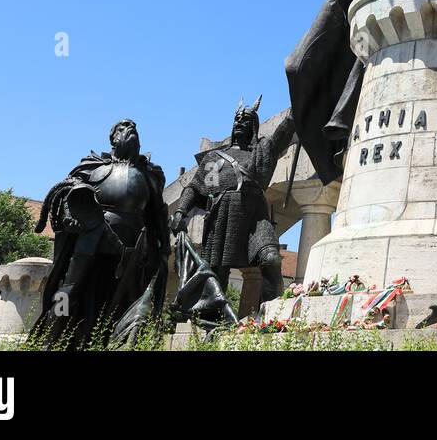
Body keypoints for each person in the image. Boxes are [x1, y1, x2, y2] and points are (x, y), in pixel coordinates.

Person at [33, 119, 168, 347]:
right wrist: (69, 215)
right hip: (93, 235)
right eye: (123, 128)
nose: (131, 130)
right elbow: (68, 193)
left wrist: (164, 244)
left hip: (133, 242)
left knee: (126, 296)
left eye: (134, 129)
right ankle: (51, 337)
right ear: (113, 138)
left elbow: (158, 214)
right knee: (69, 288)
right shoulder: (92, 166)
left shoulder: (149, 174)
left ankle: (115, 341)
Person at [171, 96, 295, 304]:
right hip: (222, 214)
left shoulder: (260, 153)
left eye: (246, 120)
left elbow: (279, 140)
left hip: (255, 216)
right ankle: (211, 323)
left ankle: (272, 317)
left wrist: (293, 117)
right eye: (237, 120)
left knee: (271, 258)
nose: (240, 123)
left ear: (254, 126)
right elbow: (197, 187)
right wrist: (179, 212)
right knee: (216, 275)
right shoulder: (216, 158)